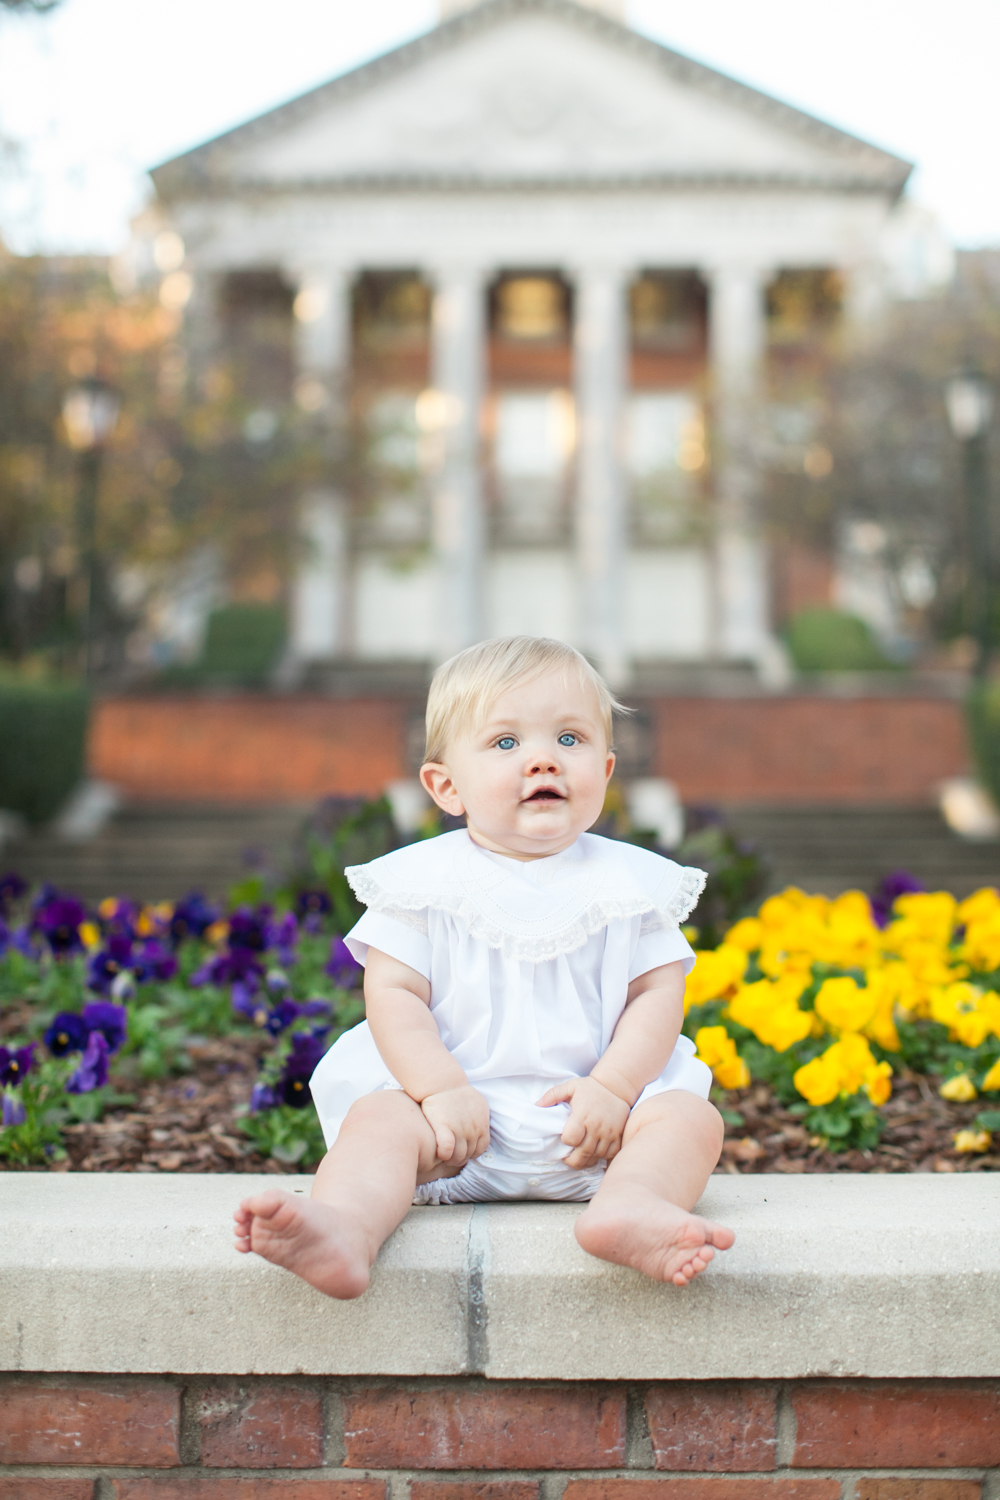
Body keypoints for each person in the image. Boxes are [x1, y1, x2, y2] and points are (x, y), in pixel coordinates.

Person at [234, 636, 734, 1297]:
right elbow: (394, 994)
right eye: (505, 744)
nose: (542, 760)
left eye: (569, 740)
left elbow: (657, 996)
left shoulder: (630, 884)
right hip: (451, 1131)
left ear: (606, 772)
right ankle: (346, 1226)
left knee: (691, 1120)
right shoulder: (422, 884)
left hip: (597, 1129)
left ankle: (630, 1205)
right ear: (446, 786)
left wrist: (614, 1089)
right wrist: (438, 1088)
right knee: (379, 1122)